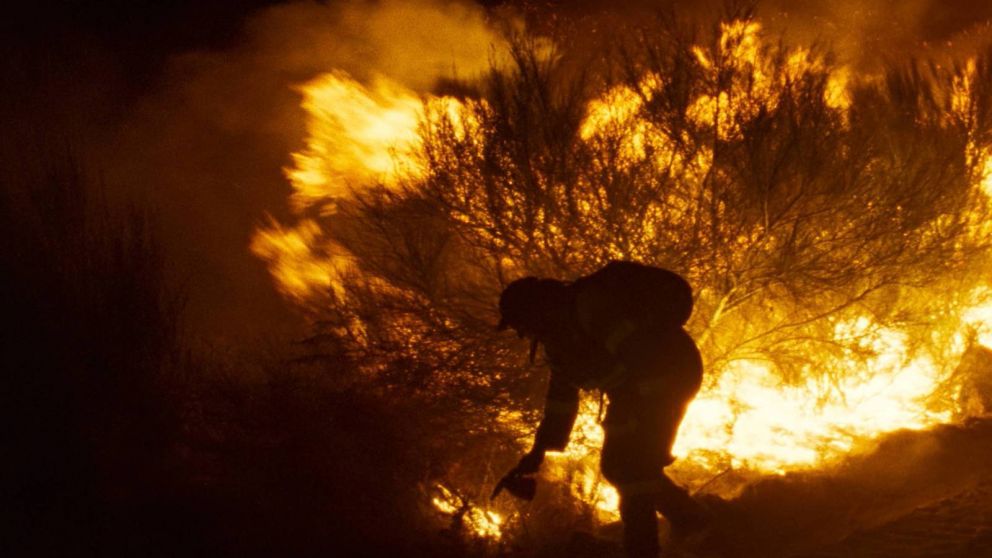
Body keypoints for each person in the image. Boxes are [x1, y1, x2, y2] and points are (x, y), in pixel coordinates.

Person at [492, 261, 710, 558]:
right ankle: (691, 520)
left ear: (536, 311)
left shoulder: (591, 309)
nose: (524, 334)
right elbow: (560, 401)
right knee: (621, 466)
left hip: (669, 377)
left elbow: (641, 354)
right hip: (633, 393)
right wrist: (538, 452)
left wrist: (645, 417)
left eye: (522, 325)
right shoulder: (559, 338)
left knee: (632, 469)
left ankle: (647, 547)